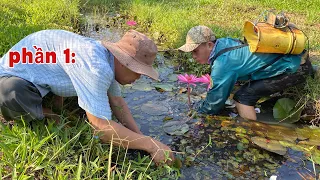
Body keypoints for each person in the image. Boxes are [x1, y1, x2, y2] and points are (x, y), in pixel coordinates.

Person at [0, 29, 174, 164]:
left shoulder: (106, 59)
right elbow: (101, 129)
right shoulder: (96, 67)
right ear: (123, 61)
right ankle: (47, 113)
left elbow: (117, 102)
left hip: (41, 77)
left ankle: (53, 104)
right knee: (10, 93)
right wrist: (150, 145)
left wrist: (139, 136)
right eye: (138, 71)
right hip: (11, 78)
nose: (138, 78)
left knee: (88, 109)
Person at [178, 25, 313, 120]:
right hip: (298, 59)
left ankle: (252, 131)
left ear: (209, 45)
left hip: (296, 70)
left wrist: (198, 114)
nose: (193, 56)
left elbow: (214, 103)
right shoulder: (224, 43)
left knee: (242, 97)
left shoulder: (222, 64)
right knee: (243, 90)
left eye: (195, 51)